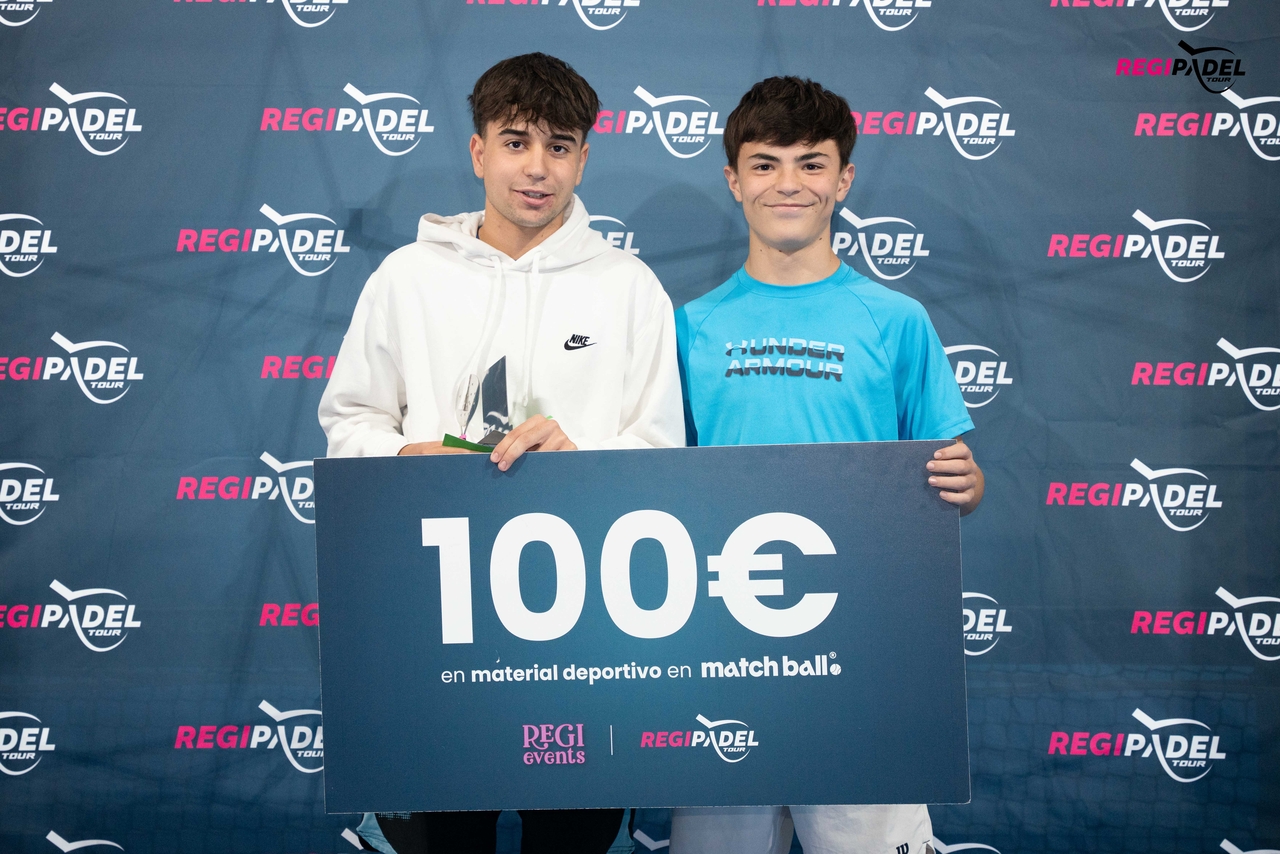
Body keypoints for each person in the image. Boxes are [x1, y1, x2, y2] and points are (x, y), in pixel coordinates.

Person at [318, 52, 684, 854]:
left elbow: (661, 448)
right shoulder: (406, 278)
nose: (537, 167)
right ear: (479, 151)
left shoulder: (629, 287)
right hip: (430, 619)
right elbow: (349, 422)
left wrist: (582, 454)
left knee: (573, 841)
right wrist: (403, 457)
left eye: (559, 146)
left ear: (584, 158)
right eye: (516, 142)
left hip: (583, 628)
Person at [670, 76, 984, 854]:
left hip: (864, 656)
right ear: (733, 179)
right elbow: (657, 484)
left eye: (811, 163)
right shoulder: (688, 328)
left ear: (844, 180)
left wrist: (967, 485)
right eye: (765, 163)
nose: (788, 183)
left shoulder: (896, 320)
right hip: (722, 654)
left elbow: (951, 473)